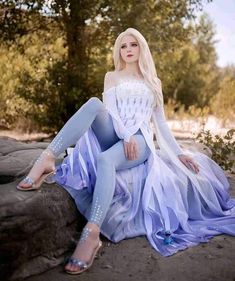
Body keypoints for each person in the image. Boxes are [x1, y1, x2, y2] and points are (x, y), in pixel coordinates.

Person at [17, 28, 235, 274]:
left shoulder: (154, 83)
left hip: (140, 142)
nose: (128, 49)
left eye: (133, 45)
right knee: (94, 104)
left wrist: (179, 153)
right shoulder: (112, 76)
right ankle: (47, 157)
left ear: (141, 48)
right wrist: (125, 134)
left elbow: (160, 124)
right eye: (123, 45)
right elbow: (110, 111)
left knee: (105, 160)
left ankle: (92, 233)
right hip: (118, 132)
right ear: (118, 50)